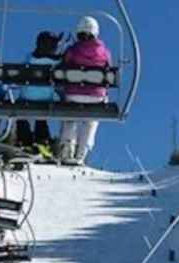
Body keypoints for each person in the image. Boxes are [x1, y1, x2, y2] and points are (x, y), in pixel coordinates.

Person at [59, 16, 113, 164]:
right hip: (96, 96)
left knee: (70, 117)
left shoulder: (73, 50)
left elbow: (64, 65)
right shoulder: (104, 52)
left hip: (73, 94)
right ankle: (82, 153)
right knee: (91, 120)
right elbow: (108, 72)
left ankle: (67, 148)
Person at [16, 31, 63, 155]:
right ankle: (42, 141)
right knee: (42, 117)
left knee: (21, 115)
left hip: (26, 97)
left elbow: (18, 76)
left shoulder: (30, 58)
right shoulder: (56, 62)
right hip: (46, 99)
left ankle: (24, 141)